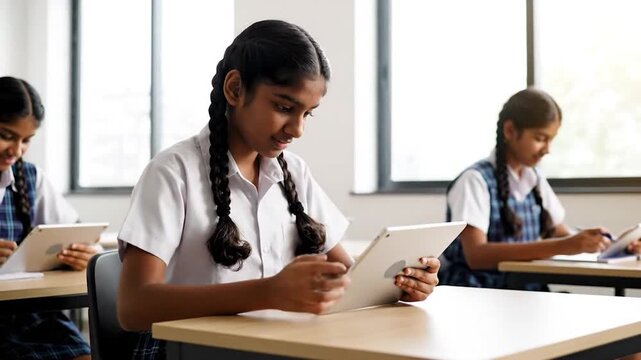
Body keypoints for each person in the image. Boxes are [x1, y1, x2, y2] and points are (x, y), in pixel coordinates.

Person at [117, 19, 441, 359]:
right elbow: (133, 306)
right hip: (190, 351)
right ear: (235, 89)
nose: (297, 129)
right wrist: (268, 292)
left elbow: (347, 276)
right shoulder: (173, 172)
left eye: (308, 114)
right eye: (284, 107)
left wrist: (401, 284)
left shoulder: (295, 173)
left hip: (279, 348)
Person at [440, 87, 641, 289]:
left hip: (523, 290)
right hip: (481, 292)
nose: (547, 150)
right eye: (539, 138)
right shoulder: (475, 180)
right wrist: (567, 245)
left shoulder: (534, 178)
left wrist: (611, 244)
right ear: (510, 131)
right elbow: (477, 255)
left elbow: (561, 233)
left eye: (550, 140)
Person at [0, 76, 98, 360]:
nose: (16, 150)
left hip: (31, 317)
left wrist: (86, 254)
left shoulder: (30, 178)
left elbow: (75, 234)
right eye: (7, 135)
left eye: (26, 140)